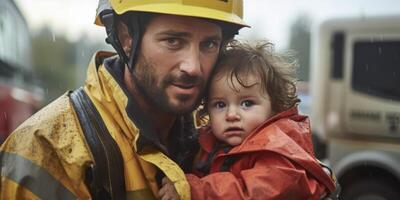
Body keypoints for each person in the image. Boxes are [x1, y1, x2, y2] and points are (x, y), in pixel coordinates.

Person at [0, 0, 248, 199]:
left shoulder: (228, 135)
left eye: (209, 44)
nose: (193, 67)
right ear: (126, 37)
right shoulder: (45, 150)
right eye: (173, 41)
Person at [159, 41, 337, 200]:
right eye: (220, 104)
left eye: (247, 103)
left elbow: (255, 192)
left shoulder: (278, 148)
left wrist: (194, 189)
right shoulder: (209, 144)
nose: (231, 115)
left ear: (274, 107)